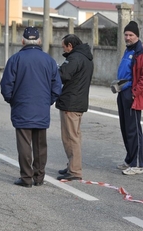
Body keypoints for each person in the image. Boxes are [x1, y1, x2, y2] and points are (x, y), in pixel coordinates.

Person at [0, 27, 62, 188]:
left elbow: (6, 85)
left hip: (22, 108)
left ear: (23, 41)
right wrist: (47, 101)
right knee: (40, 145)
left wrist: (12, 100)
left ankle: (26, 177)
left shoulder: (15, 59)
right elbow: (57, 87)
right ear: (39, 41)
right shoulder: (49, 60)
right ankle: (39, 177)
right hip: (41, 108)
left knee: (24, 145)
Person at [56, 34, 94, 181]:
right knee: (74, 136)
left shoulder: (75, 58)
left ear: (70, 46)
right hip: (78, 101)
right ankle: (72, 165)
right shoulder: (85, 57)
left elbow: (63, 75)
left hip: (71, 102)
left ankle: (74, 170)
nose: (63, 50)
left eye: (64, 47)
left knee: (70, 138)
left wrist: (56, 68)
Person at [115, 21, 143, 175]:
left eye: (131, 35)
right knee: (125, 128)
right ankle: (129, 159)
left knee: (134, 130)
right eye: (126, 34)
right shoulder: (128, 50)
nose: (128, 37)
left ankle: (138, 163)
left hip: (132, 94)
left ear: (137, 35)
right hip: (122, 92)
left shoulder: (140, 51)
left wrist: (134, 92)